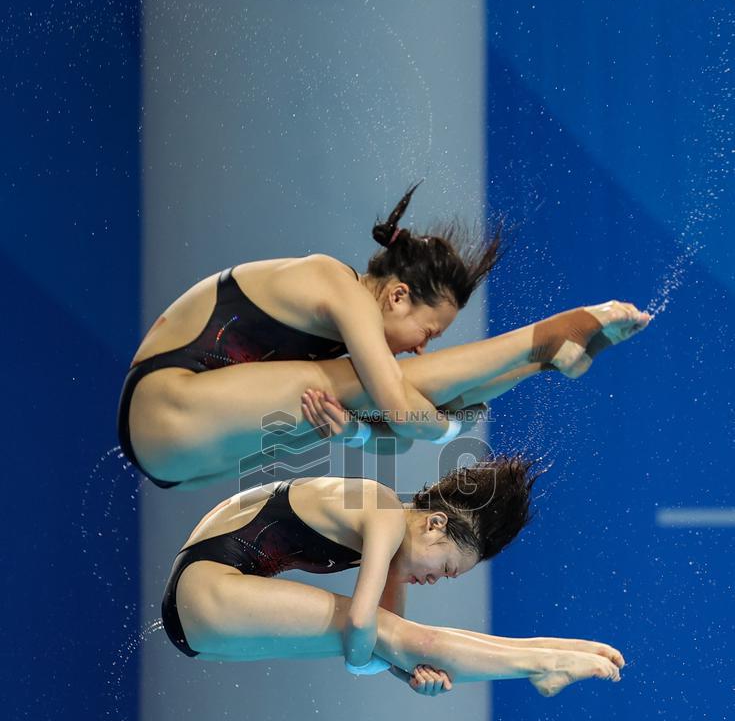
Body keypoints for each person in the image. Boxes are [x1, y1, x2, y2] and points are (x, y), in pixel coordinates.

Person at [116, 183, 651, 490]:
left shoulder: (355, 331)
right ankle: (546, 336)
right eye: (427, 329)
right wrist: (444, 429)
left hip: (187, 457)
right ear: (397, 296)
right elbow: (401, 409)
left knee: (341, 410)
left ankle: (541, 362)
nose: (422, 345)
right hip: (166, 405)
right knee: (390, 388)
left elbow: (390, 426)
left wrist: (365, 434)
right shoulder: (335, 284)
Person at [160, 463, 624, 698]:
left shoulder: (390, 550)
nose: (434, 581)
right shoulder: (381, 509)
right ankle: (542, 661)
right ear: (435, 525)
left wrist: (408, 673)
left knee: (407, 637)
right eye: (444, 569)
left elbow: (372, 657)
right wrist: (394, 654)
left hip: (206, 617)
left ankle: (542, 652)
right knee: (404, 635)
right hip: (207, 588)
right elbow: (367, 635)